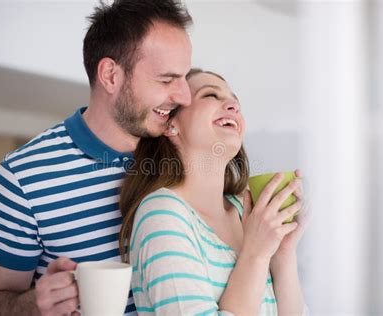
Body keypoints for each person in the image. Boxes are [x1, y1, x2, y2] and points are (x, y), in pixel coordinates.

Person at [0, 1, 193, 315]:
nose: (184, 96)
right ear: (110, 75)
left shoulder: (181, 151)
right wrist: (33, 306)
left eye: (184, 77)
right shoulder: (22, 176)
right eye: (167, 79)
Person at [119, 68, 309, 315]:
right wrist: (256, 254)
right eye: (210, 95)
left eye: (235, 101)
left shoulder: (247, 213)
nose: (232, 105)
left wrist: (283, 253)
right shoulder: (161, 215)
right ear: (170, 125)